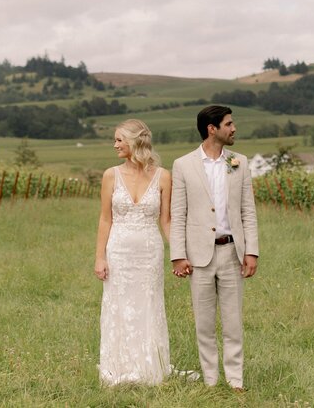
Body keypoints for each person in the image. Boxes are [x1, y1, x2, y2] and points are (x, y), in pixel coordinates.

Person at [170, 105, 259, 391]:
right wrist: (178, 255)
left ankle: (235, 381)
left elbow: (248, 211)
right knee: (204, 324)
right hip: (198, 257)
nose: (234, 129)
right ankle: (210, 381)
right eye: (229, 124)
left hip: (232, 253)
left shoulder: (240, 162)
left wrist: (251, 251)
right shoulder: (183, 165)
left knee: (233, 322)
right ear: (212, 128)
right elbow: (178, 214)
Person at [94, 119, 172, 385]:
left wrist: (179, 254)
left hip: (150, 252)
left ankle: (149, 367)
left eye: (119, 140)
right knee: (118, 306)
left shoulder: (163, 176)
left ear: (135, 141)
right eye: (115, 140)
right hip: (119, 251)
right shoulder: (110, 175)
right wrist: (100, 257)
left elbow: (166, 221)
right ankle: (119, 365)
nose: (115, 145)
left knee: (148, 305)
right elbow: (105, 219)